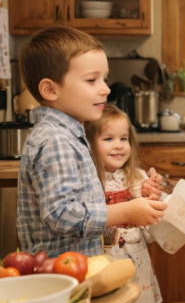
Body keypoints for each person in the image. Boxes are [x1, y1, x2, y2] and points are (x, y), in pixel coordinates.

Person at [16, 26, 167, 257]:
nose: (105, 89)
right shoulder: (55, 140)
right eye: (91, 80)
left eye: (104, 79)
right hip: (63, 277)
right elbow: (62, 215)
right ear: (50, 89)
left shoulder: (69, 134)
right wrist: (126, 212)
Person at [85, 105, 163, 303]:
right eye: (108, 139)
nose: (119, 145)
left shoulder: (138, 178)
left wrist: (155, 198)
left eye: (123, 138)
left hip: (137, 265)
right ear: (88, 144)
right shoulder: (86, 181)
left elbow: (149, 234)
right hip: (102, 267)